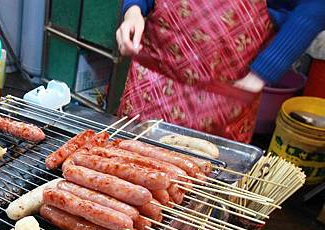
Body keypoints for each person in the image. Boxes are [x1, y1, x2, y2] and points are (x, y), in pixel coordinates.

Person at [116, 0, 325, 143]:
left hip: (222, 99)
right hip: (149, 87)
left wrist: (264, 71)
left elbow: (315, 7)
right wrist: (133, 10)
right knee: (125, 165)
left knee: (199, 188)